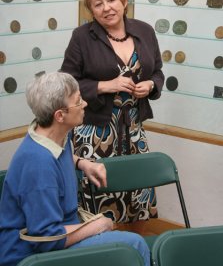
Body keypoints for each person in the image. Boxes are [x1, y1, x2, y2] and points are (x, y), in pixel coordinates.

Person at [0, 72, 150, 266]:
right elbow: (48, 240)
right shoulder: (37, 165)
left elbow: (60, 153)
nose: (85, 104)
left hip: (62, 231)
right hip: (29, 257)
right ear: (60, 115)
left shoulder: (52, 134)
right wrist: (96, 226)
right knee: (134, 246)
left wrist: (82, 163)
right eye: (78, 102)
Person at [61, 0, 164, 223]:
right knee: (99, 203)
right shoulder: (82, 37)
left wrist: (151, 84)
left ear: (124, 1)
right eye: (98, 4)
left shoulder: (145, 31)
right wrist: (104, 86)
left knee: (138, 194)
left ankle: (135, 256)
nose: (106, 8)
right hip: (95, 132)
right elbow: (66, 82)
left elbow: (158, 71)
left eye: (111, 0)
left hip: (134, 129)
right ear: (91, 10)